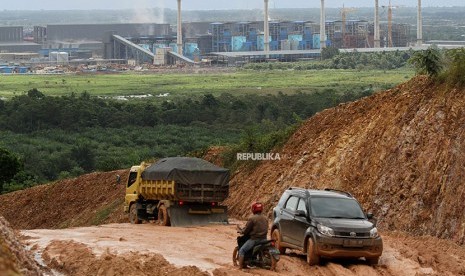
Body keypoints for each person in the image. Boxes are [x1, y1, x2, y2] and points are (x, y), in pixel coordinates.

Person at [238, 202, 268, 269]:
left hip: (255, 240)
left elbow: (246, 230)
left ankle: (240, 267)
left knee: (242, 250)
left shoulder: (252, 218)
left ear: (253, 209)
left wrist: (242, 231)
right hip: (264, 239)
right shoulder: (265, 218)